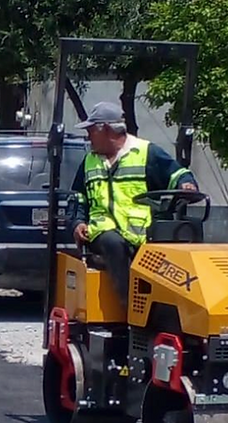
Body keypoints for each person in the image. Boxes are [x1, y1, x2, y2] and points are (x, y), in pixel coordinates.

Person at [69, 101, 199, 309]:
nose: (88, 136)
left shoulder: (146, 152)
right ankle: (131, 309)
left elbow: (177, 173)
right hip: (103, 231)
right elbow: (78, 197)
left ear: (107, 130)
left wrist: (187, 184)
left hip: (143, 232)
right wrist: (77, 222)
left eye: (91, 130)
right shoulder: (89, 161)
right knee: (114, 243)